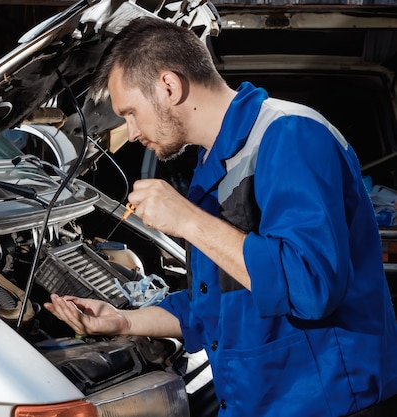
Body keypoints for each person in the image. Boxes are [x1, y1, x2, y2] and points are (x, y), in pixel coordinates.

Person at [44, 16, 397, 417]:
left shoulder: (289, 135)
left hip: (327, 402)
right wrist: (123, 322)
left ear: (169, 86)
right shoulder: (213, 164)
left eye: (131, 112)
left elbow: (310, 287)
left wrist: (189, 220)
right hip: (258, 401)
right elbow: (215, 305)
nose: (131, 131)